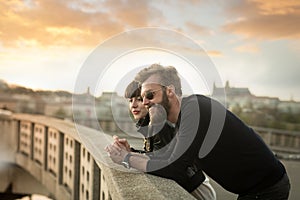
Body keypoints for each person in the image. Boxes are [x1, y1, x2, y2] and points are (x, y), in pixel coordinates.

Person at [106, 64, 290, 200]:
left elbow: (175, 168)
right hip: (254, 190)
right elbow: (165, 157)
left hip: (267, 189)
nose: (145, 102)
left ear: (169, 91)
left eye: (149, 95)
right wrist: (132, 153)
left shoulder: (196, 108)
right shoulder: (183, 120)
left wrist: (126, 159)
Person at [120, 80, 216, 200]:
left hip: (196, 189)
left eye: (139, 99)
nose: (133, 105)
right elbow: (156, 155)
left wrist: (128, 158)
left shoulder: (160, 125)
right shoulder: (149, 123)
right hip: (191, 185)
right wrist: (131, 151)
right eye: (130, 100)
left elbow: (164, 162)